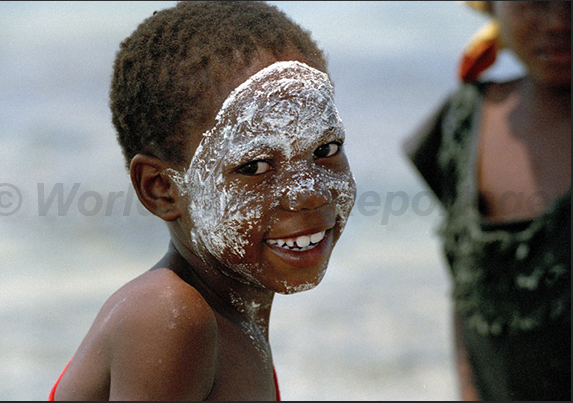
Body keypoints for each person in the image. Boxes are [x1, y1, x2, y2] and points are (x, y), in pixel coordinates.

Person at [48, 2, 356, 400]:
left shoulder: (231, 316)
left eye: (325, 147)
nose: (308, 192)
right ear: (162, 188)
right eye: (256, 165)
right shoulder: (171, 320)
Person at [404, 1, 570, 401]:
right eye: (536, 1)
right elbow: (467, 288)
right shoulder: (462, 123)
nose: (559, 22)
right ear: (492, 7)